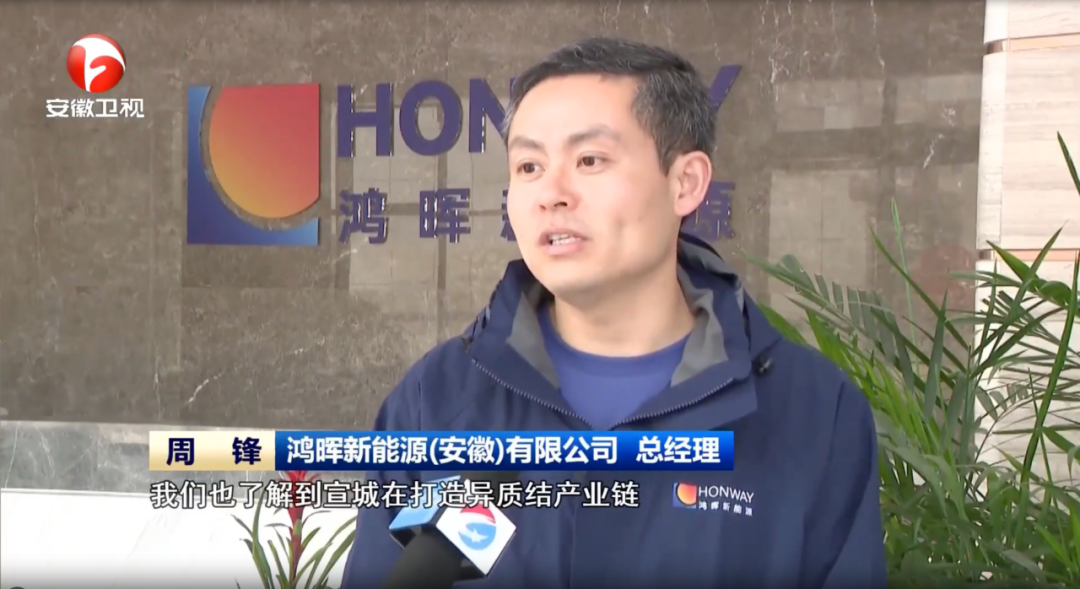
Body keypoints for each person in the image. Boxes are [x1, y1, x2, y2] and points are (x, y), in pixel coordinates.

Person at [342, 37, 887, 589]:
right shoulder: (437, 400)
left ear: (685, 183)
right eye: (529, 166)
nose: (551, 193)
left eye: (589, 160)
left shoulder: (814, 411)